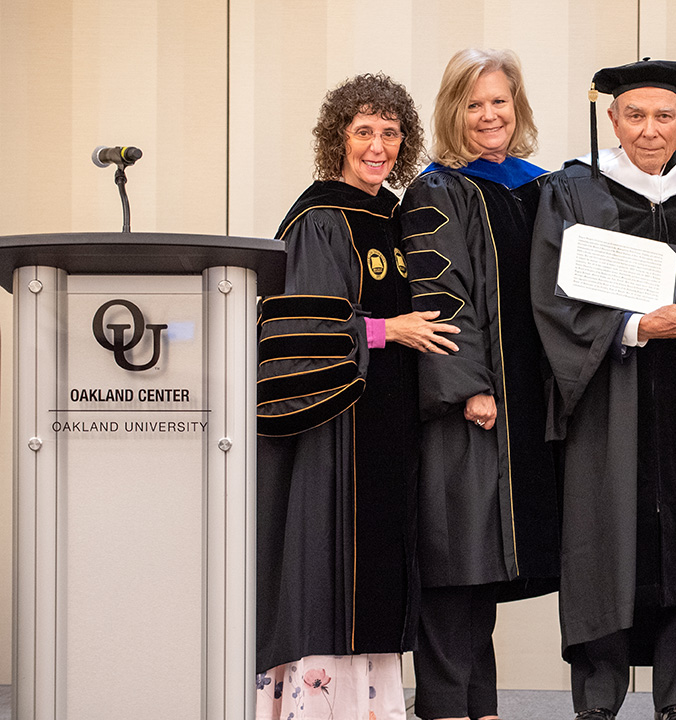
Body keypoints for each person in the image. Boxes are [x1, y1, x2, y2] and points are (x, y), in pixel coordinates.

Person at [529, 59, 676, 720]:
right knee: (601, 536)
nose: (650, 130)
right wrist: (634, 327)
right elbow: (551, 298)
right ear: (613, 119)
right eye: (634, 115)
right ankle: (598, 700)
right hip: (611, 398)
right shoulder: (572, 191)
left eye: (665, 116)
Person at [255, 72, 460, 720]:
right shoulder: (317, 218)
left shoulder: (398, 219)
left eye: (390, 133)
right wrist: (386, 328)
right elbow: (305, 330)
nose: (378, 146)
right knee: (330, 569)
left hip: (391, 427)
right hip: (333, 432)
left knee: (380, 574)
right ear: (337, 138)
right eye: (364, 131)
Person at [399, 48, 561, 720]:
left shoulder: (539, 187)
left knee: (484, 566)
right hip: (470, 404)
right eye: (474, 104)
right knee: (454, 562)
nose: (489, 115)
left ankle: (481, 707)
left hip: (524, 403)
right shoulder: (437, 191)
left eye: (499, 101)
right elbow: (441, 293)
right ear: (452, 112)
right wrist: (469, 386)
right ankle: (443, 705)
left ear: (515, 107)